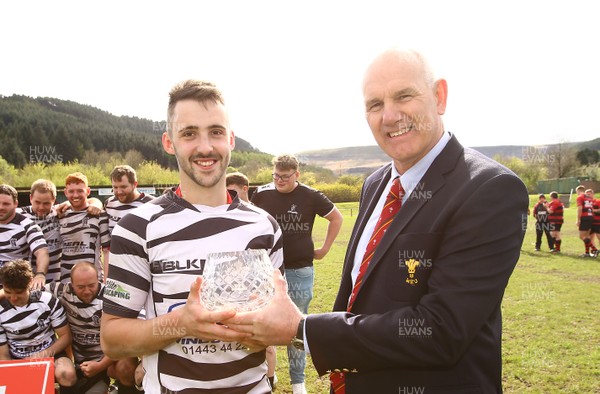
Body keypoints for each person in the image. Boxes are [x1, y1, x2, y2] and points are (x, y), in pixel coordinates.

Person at [225, 48, 529, 393]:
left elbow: (441, 331)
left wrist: (302, 329)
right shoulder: (376, 184)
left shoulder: (489, 189)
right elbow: (359, 295)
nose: (390, 116)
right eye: (375, 104)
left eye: (404, 96)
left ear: (439, 96)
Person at [100, 79, 284, 393]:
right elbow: (112, 340)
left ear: (231, 139)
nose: (205, 147)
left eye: (215, 131)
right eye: (189, 134)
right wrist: (182, 324)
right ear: (169, 142)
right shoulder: (137, 227)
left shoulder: (265, 227)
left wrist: (266, 331)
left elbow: (278, 325)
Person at [252, 154, 343, 394]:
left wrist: (323, 249)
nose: (279, 181)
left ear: (297, 175)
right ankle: (264, 375)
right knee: (261, 322)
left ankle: (298, 382)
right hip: (266, 271)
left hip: (299, 269)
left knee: (296, 327)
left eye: (285, 176)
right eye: (276, 176)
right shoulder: (261, 194)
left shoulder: (311, 196)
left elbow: (336, 217)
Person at [45, 262, 140, 394]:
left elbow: (125, 342)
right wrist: (5, 295)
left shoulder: (111, 297)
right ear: (71, 284)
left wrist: (101, 365)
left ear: (99, 280)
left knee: (126, 367)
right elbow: (25, 290)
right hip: (83, 364)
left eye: (91, 285)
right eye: (81, 287)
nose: (87, 291)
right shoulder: (62, 291)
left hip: (111, 359)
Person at [0, 259, 77, 393]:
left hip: (50, 353)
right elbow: (3, 355)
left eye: (19, 293)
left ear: (29, 284)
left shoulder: (48, 301)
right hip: (17, 360)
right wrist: (16, 371)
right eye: (8, 292)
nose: (13, 298)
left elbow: (66, 337)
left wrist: (42, 355)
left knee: (67, 374)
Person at [19, 179, 103, 284]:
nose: (41, 207)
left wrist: (96, 203)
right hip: (30, 277)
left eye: (46, 203)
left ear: (54, 200)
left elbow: (83, 201)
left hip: (57, 279)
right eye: (37, 202)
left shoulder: (59, 211)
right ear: (31, 198)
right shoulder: (20, 215)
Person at [59, 172, 111, 283]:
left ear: (88, 191)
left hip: (93, 280)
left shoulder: (99, 215)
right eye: (71, 191)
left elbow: (107, 252)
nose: (76, 195)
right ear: (65, 193)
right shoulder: (60, 215)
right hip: (66, 281)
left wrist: (106, 283)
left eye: (80, 191)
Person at [0, 184, 49, 290]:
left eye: (6, 204)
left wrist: (40, 274)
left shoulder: (28, 226)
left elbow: (42, 252)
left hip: (15, 287)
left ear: (15, 204)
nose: (1, 207)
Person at [104, 165, 155, 234]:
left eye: (123, 187)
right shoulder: (109, 203)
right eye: (115, 187)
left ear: (135, 184)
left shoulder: (151, 204)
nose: (119, 192)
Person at [575, 185, 598, 257]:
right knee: (587, 236)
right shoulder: (589, 198)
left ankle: (595, 249)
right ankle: (587, 253)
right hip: (591, 217)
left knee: (582, 236)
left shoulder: (580, 197)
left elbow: (580, 209)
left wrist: (578, 219)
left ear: (578, 191)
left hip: (585, 217)